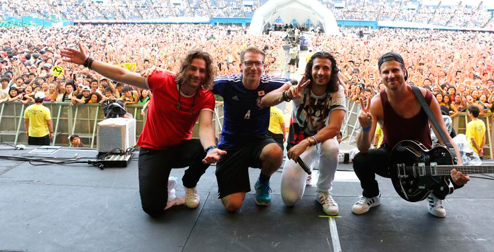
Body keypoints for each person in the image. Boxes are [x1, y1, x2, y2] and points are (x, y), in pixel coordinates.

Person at [60, 44, 225, 217]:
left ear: (207, 74)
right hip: (153, 150)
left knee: (206, 147)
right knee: (153, 209)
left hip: (178, 148)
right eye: (193, 68)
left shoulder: (205, 95)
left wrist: (210, 149)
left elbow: (206, 126)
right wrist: (87, 61)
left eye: (202, 71)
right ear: (184, 68)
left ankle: (189, 184)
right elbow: (122, 75)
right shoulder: (162, 80)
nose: (197, 74)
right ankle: (164, 182)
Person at [351, 52, 469, 218]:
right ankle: (371, 195)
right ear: (380, 76)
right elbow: (363, 148)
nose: (391, 75)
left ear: (404, 71)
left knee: (455, 172)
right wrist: (364, 129)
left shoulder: (425, 97)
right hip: (392, 158)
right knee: (360, 159)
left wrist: (459, 165)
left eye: (395, 70)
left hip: (424, 158)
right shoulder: (377, 102)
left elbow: (444, 137)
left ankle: (436, 196)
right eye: (386, 72)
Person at [261, 51, 346, 216]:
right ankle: (308, 168)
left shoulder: (336, 91)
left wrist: (306, 142)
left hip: (320, 140)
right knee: (289, 199)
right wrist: (287, 94)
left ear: (332, 72)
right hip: (299, 141)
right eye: (317, 67)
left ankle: (324, 191)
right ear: (310, 69)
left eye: (326, 68)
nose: (321, 72)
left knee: (331, 147)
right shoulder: (297, 84)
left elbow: (334, 128)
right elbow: (265, 101)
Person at [212, 46, 287, 213]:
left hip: (257, 141)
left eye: (258, 63)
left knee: (276, 152)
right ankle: (232, 178)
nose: (254, 67)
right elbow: (200, 82)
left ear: (263, 66)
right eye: (249, 63)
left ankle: (263, 182)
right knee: (233, 205)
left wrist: (281, 91)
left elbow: (293, 82)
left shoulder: (270, 84)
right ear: (241, 66)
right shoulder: (226, 83)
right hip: (231, 144)